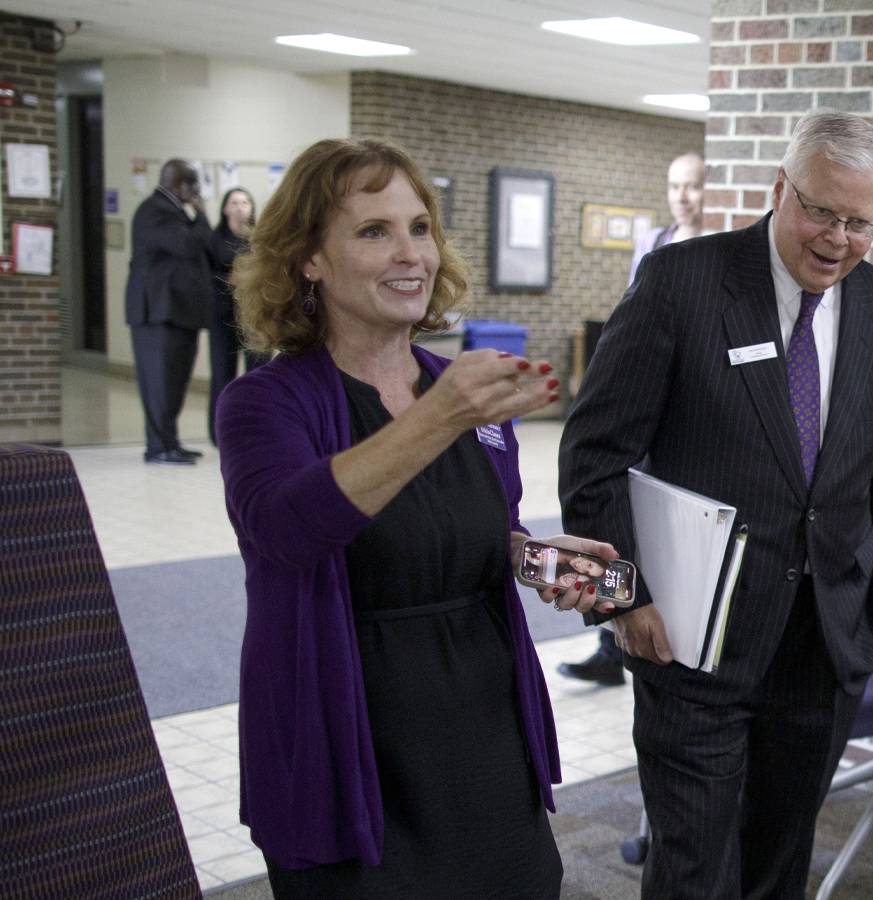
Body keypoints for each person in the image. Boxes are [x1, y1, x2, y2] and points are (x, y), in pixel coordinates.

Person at [218, 137, 620, 898]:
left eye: (420, 228)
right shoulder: (266, 403)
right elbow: (284, 530)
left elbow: (465, 526)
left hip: (482, 729)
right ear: (309, 258)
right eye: (373, 231)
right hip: (349, 735)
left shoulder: (458, 388)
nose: (411, 254)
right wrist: (438, 417)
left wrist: (535, 558)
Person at [560, 108, 873, 900]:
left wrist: (870, 613)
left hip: (822, 651)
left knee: (779, 866)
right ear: (779, 189)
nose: (837, 239)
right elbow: (594, 458)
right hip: (690, 642)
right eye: (821, 211)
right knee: (693, 872)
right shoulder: (682, 284)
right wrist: (626, 600)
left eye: (862, 222)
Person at [561, 148, 710, 687]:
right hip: (648, 399)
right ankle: (612, 634)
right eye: (674, 186)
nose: (682, 197)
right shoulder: (654, 245)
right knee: (624, 510)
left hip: (691, 405)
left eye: (692, 185)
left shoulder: (719, 252)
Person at [126, 159, 216, 466]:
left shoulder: (173, 212)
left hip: (178, 314)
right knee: (160, 383)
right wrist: (202, 212)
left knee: (175, 382)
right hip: (158, 315)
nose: (196, 191)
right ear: (177, 185)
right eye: (192, 185)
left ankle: (170, 442)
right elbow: (188, 244)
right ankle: (158, 447)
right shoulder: (154, 211)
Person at [206, 186, 263, 444]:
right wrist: (229, 279)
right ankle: (219, 433)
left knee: (259, 375)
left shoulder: (260, 239)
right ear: (225, 208)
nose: (241, 207)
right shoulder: (214, 238)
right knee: (223, 374)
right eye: (235, 202)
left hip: (255, 315)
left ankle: (257, 429)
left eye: (246, 202)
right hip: (222, 314)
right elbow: (203, 275)